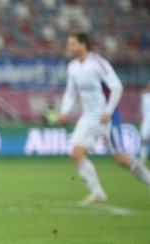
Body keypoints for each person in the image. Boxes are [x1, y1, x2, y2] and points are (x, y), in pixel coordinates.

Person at [55, 32, 150, 204]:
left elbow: (117, 86)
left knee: (120, 158)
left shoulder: (97, 62)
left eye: (73, 43)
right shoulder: (72, 67)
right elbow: (70, 92)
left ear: (83, 45)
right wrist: (64, 112)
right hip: (88, 117)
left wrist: (108, 110)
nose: (69, 46)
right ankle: (98, 193)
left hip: (105, 116)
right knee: (76, 153)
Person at [140, 83, 150, 163]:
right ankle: (143, 157)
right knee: (144, 139)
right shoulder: (145, 96)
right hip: (146, 119)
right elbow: (143, 109)